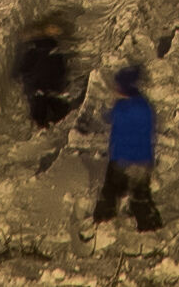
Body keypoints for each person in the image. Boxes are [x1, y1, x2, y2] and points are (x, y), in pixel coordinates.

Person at [94, 61, 161, 228]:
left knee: (110, 191)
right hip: (143, 160)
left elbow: (109, 118)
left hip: (121, 159)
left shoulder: (122, 108)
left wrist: (104, 110)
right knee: (141, 194)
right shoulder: (144, 105)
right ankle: (150, 224)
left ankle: (102, 221)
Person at [13, 14, 78, 129]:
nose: (57, 31)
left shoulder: (47, 45)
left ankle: (46, 125)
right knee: (46, 106)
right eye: (53, 27)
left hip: (45, 83)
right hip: (42, 82)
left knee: (46, 106)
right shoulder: (39, 45)